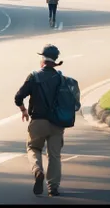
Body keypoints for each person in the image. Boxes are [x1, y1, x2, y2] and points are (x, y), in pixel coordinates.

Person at [14, 44, 66, 197]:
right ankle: (53, 187)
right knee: (54, 155)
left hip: (38, 121)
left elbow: (18, 97)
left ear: (43, 58)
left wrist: (24, 110)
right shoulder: (60, 78)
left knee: (33, 148)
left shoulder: (33, 77)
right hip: (57, 123)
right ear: (55, 60)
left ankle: (37, 171)